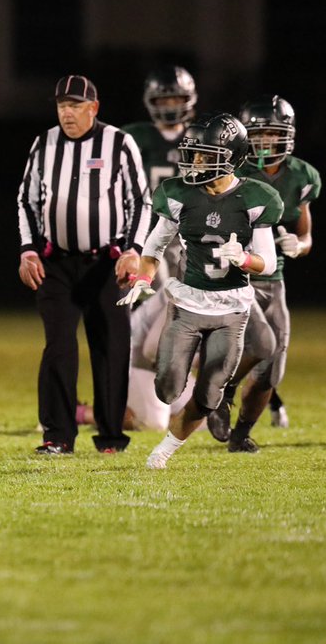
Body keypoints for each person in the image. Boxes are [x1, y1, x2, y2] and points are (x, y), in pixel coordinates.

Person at [117, 113, 283, 469]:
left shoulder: (255, 198)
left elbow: (268, 263)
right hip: (189, 301)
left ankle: (164, 451)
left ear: (231, 158)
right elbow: (154, 247)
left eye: (206, 155)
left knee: (209, 394)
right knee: (167, 387)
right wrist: (143, 279)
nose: (196, 162)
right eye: (194, 154)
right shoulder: (179, 195)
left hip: (232, 307)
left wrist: (244, 259)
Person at [16, 75, 149, 454]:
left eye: (75, 106)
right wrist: (28, 250)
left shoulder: (119, 143)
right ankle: (57, 435)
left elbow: (141, 201)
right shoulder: (44, 143)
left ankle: (111, 437)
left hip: (106, 263)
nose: (67, 114)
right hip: (56, 262)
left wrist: (133, 250)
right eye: (62, 106)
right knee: (58, 346)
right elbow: (26, 200)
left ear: (94, 108)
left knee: (110, 347)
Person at [216, 96, 320, 449]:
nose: (264, 142)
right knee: (261, 345)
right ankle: (222, 388)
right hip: (235, 276)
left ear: (286, 135)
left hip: (273, 278)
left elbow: (306, 236)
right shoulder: (232, 172)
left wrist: (298, 245)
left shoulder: (302, 176)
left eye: (271, 134)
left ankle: (241, 435)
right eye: (257, 135)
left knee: (273, 369)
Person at [118, 66, 200, 430]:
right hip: (147, 240)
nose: (169, 107)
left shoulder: (201, 138)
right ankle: (125, 393)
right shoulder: (134, 138)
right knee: (152, 313)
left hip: (189, 241)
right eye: (163, 100)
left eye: (175, 99)